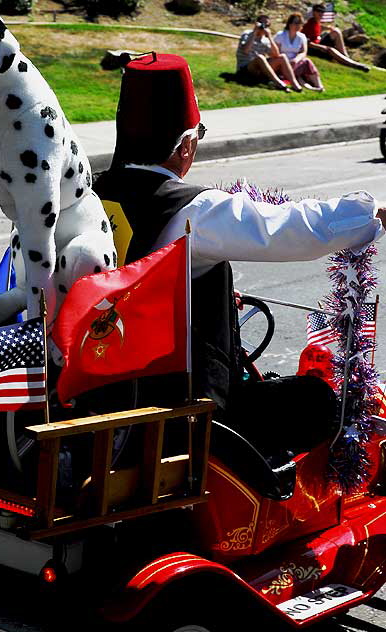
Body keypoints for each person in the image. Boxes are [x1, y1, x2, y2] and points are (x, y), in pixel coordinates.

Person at [94, 53, 385, 418]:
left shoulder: (86, 195)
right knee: (317, 402)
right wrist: (369, 212)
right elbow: (287, 229)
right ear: (186, 145)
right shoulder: (193, 210)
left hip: (100, 391)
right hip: (182, 407)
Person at [236, 14, 302, 92]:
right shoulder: (247, 34)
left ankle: (294, 83)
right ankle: (278, 83)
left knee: (282, 57)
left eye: (266, 25)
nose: (263, 27)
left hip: (259, 69)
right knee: (260, 57)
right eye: (262, 23)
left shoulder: (265, 40)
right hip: (245, 68)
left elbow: (276, 55)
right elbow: (246, 50)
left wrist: (270, 37)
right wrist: (255, 33)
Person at [302, 4, 370, 72]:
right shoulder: (309, 24)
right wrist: (322, 48)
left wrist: (327, 28)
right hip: (313, 49)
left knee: (336, 31)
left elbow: (318, 29)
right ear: (314, 12)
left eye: (322, 11)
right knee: (331, 49)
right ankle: (354, 64)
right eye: (318, 11)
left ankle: (345, 57)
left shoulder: (316, 22)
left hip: (318, 42)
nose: (320, 13)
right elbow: (307, 43)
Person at [274, 13, 323, 91]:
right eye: (296, 23)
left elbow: (303, 52)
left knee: (307, 61)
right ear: (290, 24)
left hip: (295, 62)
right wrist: (287, 61)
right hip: (282, 63)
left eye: (300, 23)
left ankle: (319, 85)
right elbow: (276, 52)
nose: (298, 26)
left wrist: (296, 60)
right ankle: (306, 86)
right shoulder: (280, 35)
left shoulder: (301, 36)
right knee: (293, 71)